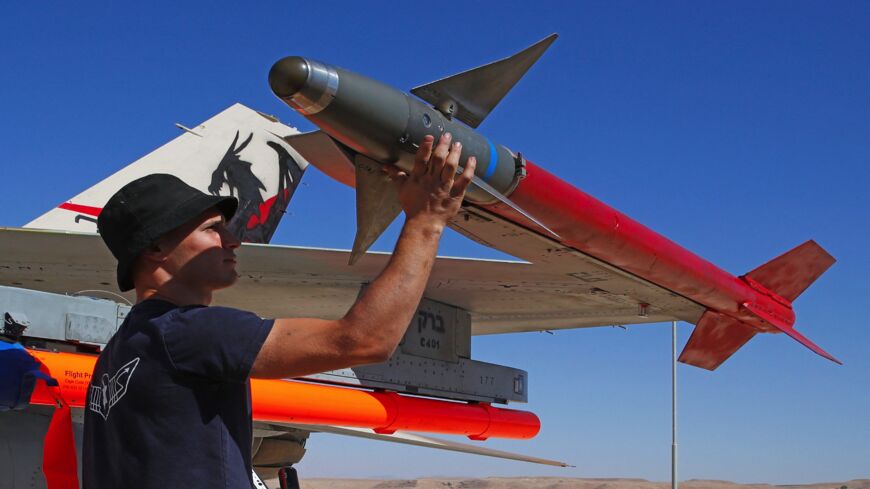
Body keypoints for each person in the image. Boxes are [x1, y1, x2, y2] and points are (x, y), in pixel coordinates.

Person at [82, 133, 475, 488]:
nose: (233, 240)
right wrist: (427, 221)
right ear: (154, 248)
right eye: (213, 229)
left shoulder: (120, 352)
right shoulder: (189, 333)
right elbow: (364, 340)